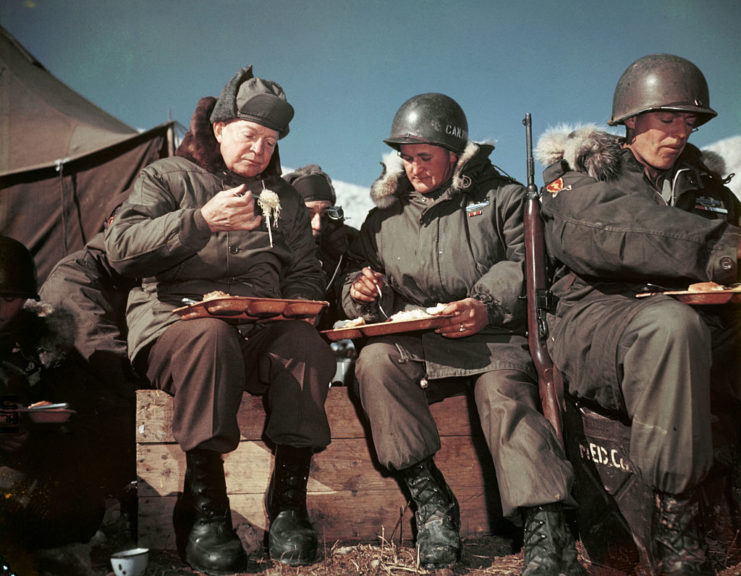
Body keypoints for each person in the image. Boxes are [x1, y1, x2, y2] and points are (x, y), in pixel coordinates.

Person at [104, 66, 336, 573]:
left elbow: (304, 272)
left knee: (307, 346)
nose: (260, 149)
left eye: (271, 141)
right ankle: (208, 513)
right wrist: (200, 221)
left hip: (257, 331)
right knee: (210, 338)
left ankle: (288, 507)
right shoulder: (165, 176)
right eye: (250, 135)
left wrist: (296, 307)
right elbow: (119, 249)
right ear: (219, 128)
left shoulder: (287, 201)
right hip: (176, 327)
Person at [342, 93, 584, 574]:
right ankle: (431, 504)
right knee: (373, 363)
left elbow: (527, 264)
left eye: (424, 157)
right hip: (418, 338)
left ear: (454, 153)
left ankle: (544, 525)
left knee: (503, 395)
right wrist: (361, 290)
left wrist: (486, 304)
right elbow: (358, 273)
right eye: (407, 159)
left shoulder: (505, 198)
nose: (414, 168)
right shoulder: (383, 219)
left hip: (490, 334)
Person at [535, 53, 741, 575]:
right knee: (671, 327)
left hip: (697, 321)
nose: (679, 133)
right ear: (631, 119)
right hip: (598, 320)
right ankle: (675, 528)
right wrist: (718, 249)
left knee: (686, 326)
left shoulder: (711, 192)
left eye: (688, 122)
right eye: (666, 118)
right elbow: (603, 234)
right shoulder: (581, 176)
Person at [0, 235, 106, 570]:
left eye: (8, 298)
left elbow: (81, 409)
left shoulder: (43, 339)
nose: (0, 310)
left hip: (28, 477)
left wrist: (36, 423)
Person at [283, 164, 359, 330]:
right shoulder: (272, 241)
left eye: (324, 214)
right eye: (308, 214)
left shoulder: (347, 243)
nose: (317, 224)